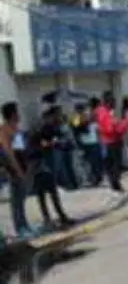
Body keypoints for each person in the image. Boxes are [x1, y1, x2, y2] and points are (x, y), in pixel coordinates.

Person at [29, 107, 74, 229]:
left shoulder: (52, 128)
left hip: (46, 164)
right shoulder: (41, 128)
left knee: (51, 192)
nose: (59, 117)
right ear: (50, 116)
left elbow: (60, 140)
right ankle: (49, 219)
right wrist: (51, 144)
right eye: (57, 115)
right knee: (42, 193)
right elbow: (39, 145)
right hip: (40, 164)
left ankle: (58, 217)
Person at [0, 102, 32, 238]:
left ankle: (25, 224)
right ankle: (20, 227)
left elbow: (21, 149)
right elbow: (9, 153)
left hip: (22, 166)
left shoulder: (16, 129)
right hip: (13, 168)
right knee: (16, 200)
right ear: (12, 114)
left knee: (22, 198)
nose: (19, 115)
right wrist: (17, 170)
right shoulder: (4, 130)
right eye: (17, 112)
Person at [95, 92, 125, 192]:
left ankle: (115, 184)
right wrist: (120, 125)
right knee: (115, 164)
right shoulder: (105, 113)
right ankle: (115, 184)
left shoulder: (105, 112)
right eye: (113, 101)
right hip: (111, 141)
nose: (114, 104)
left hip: (109, 141)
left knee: (112, 164)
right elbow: (110, 128)